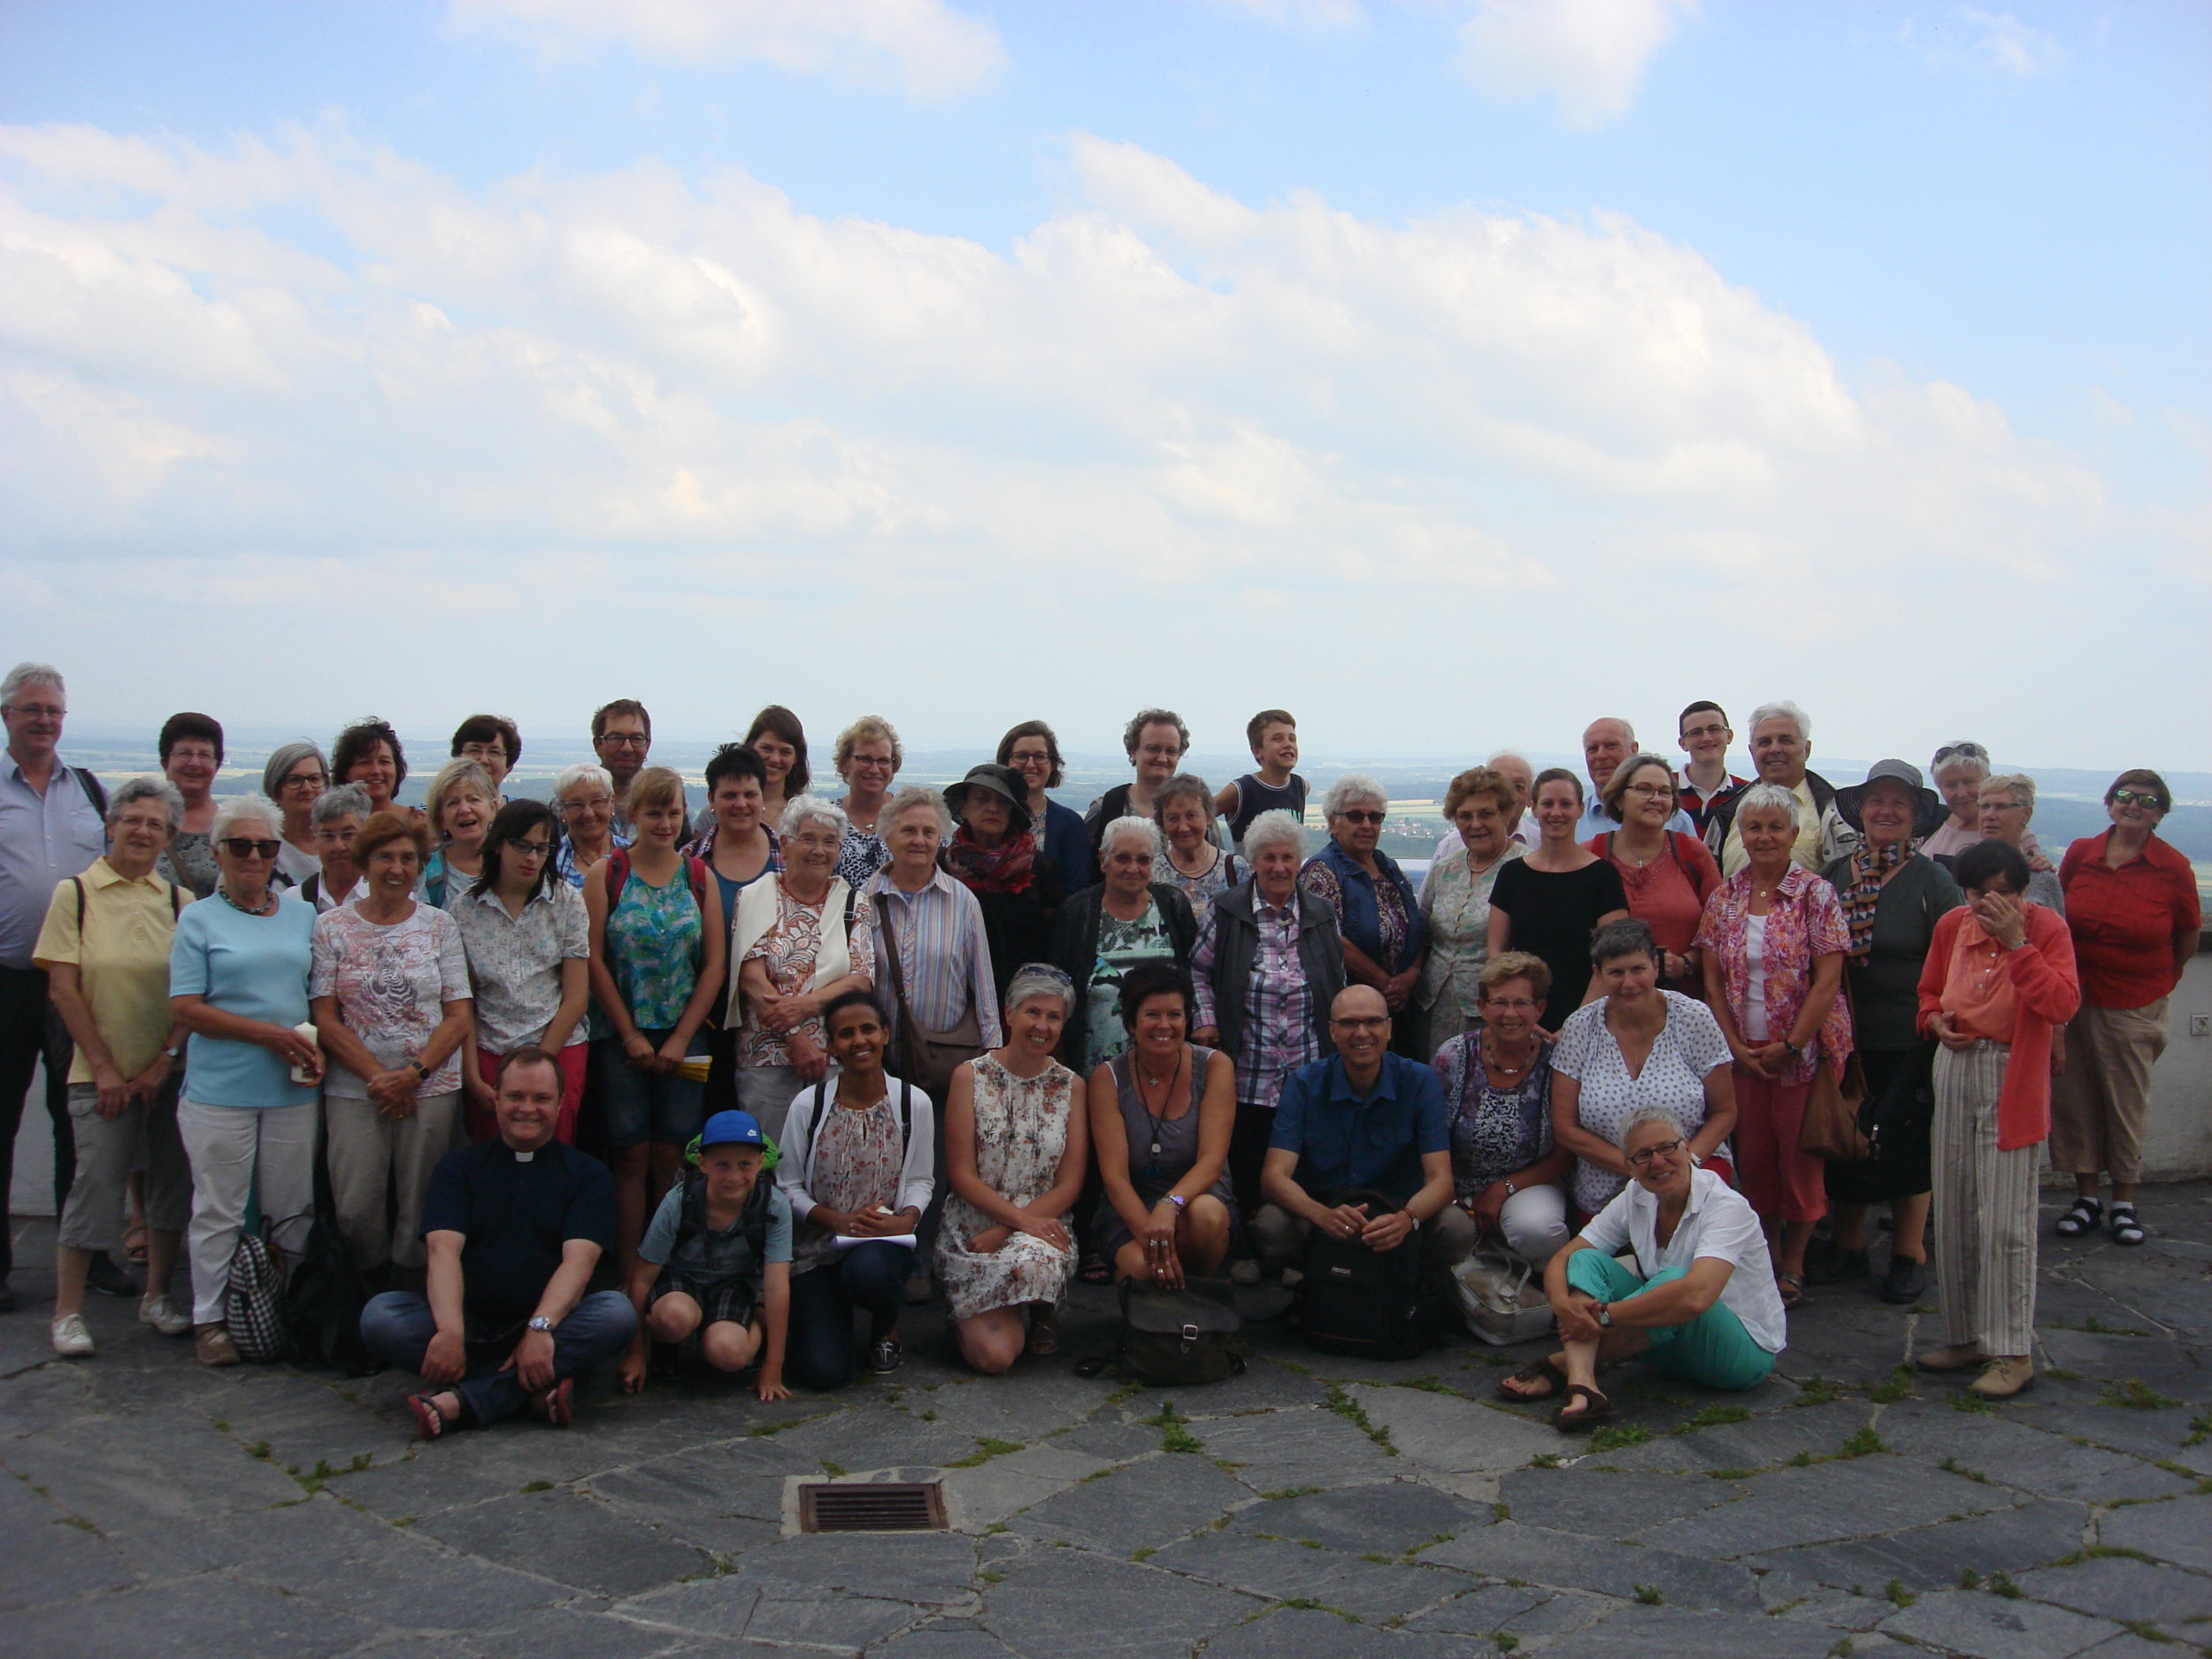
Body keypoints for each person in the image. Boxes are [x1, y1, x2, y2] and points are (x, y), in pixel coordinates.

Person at [360, 1048, 634, 1438]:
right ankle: (533, 1390)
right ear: (496, 1098)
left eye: (541, 1099)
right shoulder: (457, 1169)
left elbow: (579, 1263)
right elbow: (442, 1252)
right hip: (468, 1324)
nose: (527, 1109)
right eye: (516, 1097)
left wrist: (539, 1330)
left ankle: (465, 1400)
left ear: (560, 1104)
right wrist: (451, 1332)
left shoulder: (588, 1175)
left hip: (551, 1326)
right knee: (381, 1316)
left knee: (615, 1314)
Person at [1499, 1107, 1786, 1425]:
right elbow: (1565, 1258)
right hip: (1669, 1344)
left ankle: (1561, 1365)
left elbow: (1697, 1297)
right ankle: (1582, 1385)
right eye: (1644, 1155)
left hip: (1741, 1356)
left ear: (1687, 1147)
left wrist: (1603, 1315)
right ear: (1629, 1166)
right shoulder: (1637, 1195)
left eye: (1667, 1147)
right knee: (1587, 1259)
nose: (1658, 1162)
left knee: (1676, 1283)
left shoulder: (1726, 1206)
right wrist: (1564, 1308)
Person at [1916, 840, 2080, 1398]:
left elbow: (2061, 1004)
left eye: (2002, 894)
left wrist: (2018, 945)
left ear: (2021, 891)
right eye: (1978, 894)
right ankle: (1964, 1337)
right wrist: (1935, 1023)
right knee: (1957, 1206)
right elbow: (1930, 993)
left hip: (2012, 1072)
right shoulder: (1952, 926)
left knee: (2005, 1218)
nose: (1989, 904)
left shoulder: (2046, 929)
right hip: (1957, 1067)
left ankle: (2012, 1350)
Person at [37, 777, 195, 1355]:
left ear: (168, 836)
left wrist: (164, 1061)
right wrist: (104, 1066)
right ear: (111, 825)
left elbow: (192, 992)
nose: (142, 831)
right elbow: (62, 988)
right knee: (95, 1187)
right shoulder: (75, 895)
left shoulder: (178, 903)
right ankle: (68, 1311)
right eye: (133, 819)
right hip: (97, 1072)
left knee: (169, 1186)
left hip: (167, 1074)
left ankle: (156, 1295)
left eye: (155, 824)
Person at [167, 795, 325, 1364]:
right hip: (221, 1091)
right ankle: (209, 1319)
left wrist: (310, 1045)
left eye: (264, 846)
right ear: (219, 852)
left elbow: (318, 994)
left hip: (291, 1087)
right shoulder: (198, 918)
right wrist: (267, 1035)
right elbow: (185, 1007)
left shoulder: (300, 914)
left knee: (292, 1208)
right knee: (220, 1209)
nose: (254, 856)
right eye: (241, 846)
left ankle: (284, 1312)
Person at [1695, 784, 1853, 1305]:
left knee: (1800, 1162)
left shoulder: (1816, 894)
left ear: (1793, 833)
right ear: (1741, 831)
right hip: (1743, 1055)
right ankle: (1763, 1255)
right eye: (1754, 826)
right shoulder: (1724, 898)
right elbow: (1712, 980)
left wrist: (1792, 1043)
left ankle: (1796, 1265)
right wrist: (1734, 1045)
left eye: (1774, 827)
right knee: (1757, 1161)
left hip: (1801, 1055)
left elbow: (1828, 978)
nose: (1764, 836)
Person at [1811, 760, 1962, 1303]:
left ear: (1917, 815)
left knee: (1906, 1145)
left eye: (1900, 802)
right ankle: (1848, 1248)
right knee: (1848, 1142)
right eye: (1877, 800)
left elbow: (1958, 952)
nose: (1887, 811)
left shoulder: (1933, 880)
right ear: (1862, 811)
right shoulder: (1834, 875)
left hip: (1910, 1037)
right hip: (1844, 1038)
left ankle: (1907, 1254)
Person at [310, 810, 472, 1282]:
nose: (397, 868)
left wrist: (412, 1076)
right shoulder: (331, 927)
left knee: (422, 1202)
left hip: (431, 1084)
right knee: (356, 1203)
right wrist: (380, 1079)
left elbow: (458, 1015)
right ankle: (362, 1299)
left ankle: (412, 1301)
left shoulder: (440, 926)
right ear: (365, 862)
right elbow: (325, 1015)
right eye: (385, 857)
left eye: (408, 858)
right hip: (356, 1088)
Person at [1189, 809, 1346, 1284]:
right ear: (1252, 862)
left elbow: (1337, 979)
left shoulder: (1321, 913)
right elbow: (1197, 971)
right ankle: (1245, 1251)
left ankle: (1294, 1253)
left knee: (1300, 1165)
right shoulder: (1228, 909)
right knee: (1246, 1161)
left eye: (1288, 858)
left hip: (1306, 1067)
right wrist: (1208, 1021)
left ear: (1300, 862)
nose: (1279, 867)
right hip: (1246, 1067)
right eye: (1268, 858)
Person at [585, 766, 726, 1279]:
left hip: (684, 1035)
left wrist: (683, 1036)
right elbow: (594, 959)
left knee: (672, 1156)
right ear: (633, 813)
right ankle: (627, 1270)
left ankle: (665, 1267)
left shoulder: (697, 875)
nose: (665, 822)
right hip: (620, 1035)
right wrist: (629, 1035)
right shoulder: (607, 874)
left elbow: (713, 964)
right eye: (654, 812)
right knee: (628, 1155)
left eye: (673, 812)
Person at [2051, 770, 2200, 1248]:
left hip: (2134, 1002)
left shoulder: (2172, 867)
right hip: (2077, 996)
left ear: (2160, 812)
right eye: (2125, 796)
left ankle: (2125, 1202)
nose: (2134, 805)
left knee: (2124, 1102)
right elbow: (2058, 912)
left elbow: (2187, 935)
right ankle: (2087, 1198)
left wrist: (2161, 984)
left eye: (2147, 800)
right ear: (2110, 801)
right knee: (2076, 1099)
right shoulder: (2080, 854)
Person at [0, 663, 110, 1313]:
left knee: (79, 1125)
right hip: (7, 980)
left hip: (75, 983)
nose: (44, 720)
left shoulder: (89, 791)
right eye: (31, 709)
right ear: (6, 715)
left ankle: (89, 1258)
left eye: (53, 711)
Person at [1254, 986, 1472, 1282]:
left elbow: (1441, 1180)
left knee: (1457, 1227)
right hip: (1325, 1215)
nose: (1361, 1033)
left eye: (1372, 1022)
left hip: (1396, 1214)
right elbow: (1273, 1177)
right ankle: (1316, 1291)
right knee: (1270, 1223)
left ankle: (1409, 1297)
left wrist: (1406, 1219)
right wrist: (1320, 1215)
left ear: (1389, 1028)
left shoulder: (1420, 1081)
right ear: (1331, 1031)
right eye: (1348, 1023)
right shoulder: (1303, 1084)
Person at [778, 993, 935, 1387]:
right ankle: (831, 1316)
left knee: (871, 1274)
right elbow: (788, 1184)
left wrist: (906, 1220)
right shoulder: (808, 1105)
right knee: (822, 1373)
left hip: (881, 1241)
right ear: (831, 1046)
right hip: (818, 1245)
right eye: (845, 1034)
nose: (859, 1041)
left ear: (884, 1034)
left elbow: (920, 1179)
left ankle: (886, 1325)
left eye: (868, 1029)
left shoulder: (912, 1102)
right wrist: (836, 1220)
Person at [937, 965, 1087, 1371]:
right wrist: (1002, 1223)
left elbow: (1070, 1183)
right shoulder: (969, 1077)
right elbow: (961, 1173)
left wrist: (1012, 1226)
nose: (1042, 1025)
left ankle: (1040, 1310)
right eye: (1032, 1012)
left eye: (1054, 1017)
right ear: (1009, 1014)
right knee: (995, 1359)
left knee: (1033, 1261)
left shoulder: (1071, 1085)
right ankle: (973, 1307)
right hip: (973, 1224)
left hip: (1039, 1226)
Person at [1551, 918, 1737, 1221]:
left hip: (1690, 1170)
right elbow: (1566, 1128)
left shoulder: (1694, 1017)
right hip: (1607, 1182)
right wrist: (1637, 1167)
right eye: (1616, 972)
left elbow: (1725, 1112)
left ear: (1654, 965)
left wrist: (1679, 1164)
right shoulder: (1579, 1028)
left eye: (1637, 969)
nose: (1628, 983)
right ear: (1597, 974)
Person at [618, 1108, 792, 1401]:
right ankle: (665, 1345)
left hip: (735, 1284)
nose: (734, 1176)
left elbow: (777, 1284)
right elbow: (643, 1277)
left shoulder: (773, 1206)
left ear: (761, 1163)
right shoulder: (679, 1201)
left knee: (729, 1354)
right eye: (722, 1165)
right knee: (673, 1318)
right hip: (681, 1279)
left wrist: (775, 1366)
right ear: (703, 1163)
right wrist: (636, 1352)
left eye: (745, 1164)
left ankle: (750, 1329)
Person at [729, 796, 876, 1141]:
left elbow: (862, 977)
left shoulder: (854, 903)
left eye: (829, 842)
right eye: (808, 839)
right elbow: (751, 978)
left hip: (837, 1053)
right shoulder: (754, 896)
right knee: (770, 1157)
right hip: (767, 1056)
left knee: (831, 1157)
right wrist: (796, 1039)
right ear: (785, 844)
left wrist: (806, 1006)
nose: (819, 851)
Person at [449, 800, 589, 1145]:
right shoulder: (464, 909)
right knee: (490, 1156)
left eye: (542, 848)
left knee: (553, 1152)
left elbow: (576, 998)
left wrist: (537, 1067)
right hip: (488, 1049)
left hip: (556, 1046)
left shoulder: (567, 901)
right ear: (498, 843)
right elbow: (462, 1002)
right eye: (521, 845)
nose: (531, 858)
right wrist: (471, 1077)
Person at [1087, 963, 1236, 1288]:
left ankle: (1200, 1306)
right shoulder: (1107, 1078)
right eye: (1152, 1015)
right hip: (1131, 1208)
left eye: (1175, 1015)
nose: (1164, 1026)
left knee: (1208, 1215)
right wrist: (1158, 1248)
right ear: (1130, 1022)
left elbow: (1212, 1163)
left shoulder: (1214, 1067)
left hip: (1195, 1200)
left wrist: (1170, 1205)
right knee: (1146, 1271)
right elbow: (1114, 1179)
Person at [1429, 953, 1573, 1266]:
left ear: (1540, 1008)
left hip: (1529, 1182)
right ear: (1481, 1007)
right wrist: (1447, 1190)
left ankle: (1551, 1292)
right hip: (1455, 1183)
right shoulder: (1452, 1056)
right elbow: (1428, 1135)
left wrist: (1502, 1189)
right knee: (1450, 1231)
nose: (1510, 1014)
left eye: (1522, 1003)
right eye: (1499, 1003)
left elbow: (1566, 1152)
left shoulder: (1559, 1062)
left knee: (1537, 1228)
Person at [1054, 817, 1199, 1075]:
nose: (1133, 868)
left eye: (1143, 860)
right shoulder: (1078, 912)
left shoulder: (1172, 905)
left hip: (1163, 1067)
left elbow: (1192, 978)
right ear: (1103, 859)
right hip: (1093, 1070)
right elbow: (1059, 990)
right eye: (1123, 858)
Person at [1486, 770, 1628, 1029]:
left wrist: (1577, 1023)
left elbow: (1612, 957)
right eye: (1548, 804)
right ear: (1534, 808)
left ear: (1580, 809)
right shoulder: (1512, 874)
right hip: (1522, 1017)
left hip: (1591, 1015)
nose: (1556, 812)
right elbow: (1497, 951)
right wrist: (1521, 1013)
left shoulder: (1603, 876)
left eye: (1566, 804)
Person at [1300, 773, 1429, 1057]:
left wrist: (1411, 975)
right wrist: (1385, 983)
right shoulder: (1322, 871)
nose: (1367, 825)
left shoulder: (1388, 867)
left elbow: (1418, 926)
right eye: (1356, 816)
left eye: (1375, 817)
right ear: (1333, 822)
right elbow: (1329, 938)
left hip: (1399, 1008)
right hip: (1352, 1016)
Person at [1586, 754, 1721, 996]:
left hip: (1685, 1010)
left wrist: (1686, 963)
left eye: (1665, 792)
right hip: (1610, 1006)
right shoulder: (1591, 855)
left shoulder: (1693, 853)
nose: (1656, 799)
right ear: (1618, 798)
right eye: (1644, 789)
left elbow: (1722, 929)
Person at [1416, 766, 1525, 1048]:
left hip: (1493, 1012)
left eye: (1486, 814)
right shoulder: (1445, 868)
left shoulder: (1525, 869)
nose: (1475, 824)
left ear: (1505, 814)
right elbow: (1420, 929)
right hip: (1432, 1006)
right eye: (1465, 816)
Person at [942, 764, 1061, 1008]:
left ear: (1013, 811)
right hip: (955, 997)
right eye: (982, 798)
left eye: (1003, 801)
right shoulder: (942, 866)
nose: (993, 808)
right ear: (963, 806)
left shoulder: (1039, 868)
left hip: (1021, 1001)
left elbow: (1053, 941)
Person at [1706, 701, 1856, 877]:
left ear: (1806, 749)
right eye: (1764, 742)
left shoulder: (1838, 817)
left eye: (1786, 740)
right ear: (1752, 751)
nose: (1775, 749)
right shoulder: (1727, 814)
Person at [1087, 708, 1202, 867]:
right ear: (1133, 752)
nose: (1162, 758)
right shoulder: (1106, 808)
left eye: (1171, 751)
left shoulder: (1197, 811)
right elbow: (1083, 872)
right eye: (1153, 749)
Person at [997, 719, 1095, 894]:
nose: (1030, 764)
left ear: (1052, 765)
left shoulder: (1069, 824)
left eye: (1040, 756)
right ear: (1005, 762)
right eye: (1021, 756)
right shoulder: (990, 817)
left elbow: (1077, 890)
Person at [1576, 718, 1694, 841]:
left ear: (1634, 749)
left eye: (1611, 746)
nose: (1601, 755)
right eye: (1592, 749)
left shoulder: (1676, 822)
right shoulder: (1573, 821)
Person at [153, 712, 225, 899]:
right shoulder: (140, 824)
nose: (194, 763)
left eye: (205, 755)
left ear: (217, 765)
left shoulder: (231, 826)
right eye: (184, 753)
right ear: (165, 761)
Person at [1153, 773, 1245, 914]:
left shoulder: (1235, 869)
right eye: (1173, 818)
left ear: (1208, 816)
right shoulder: (1153, 873)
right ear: (1162, 824)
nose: (1183, 827)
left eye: (1191, 815)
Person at [1215, 710, 1307, 851]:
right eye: (1277, 739)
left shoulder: (1301, 786)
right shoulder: (1241, 791)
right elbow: (1199, 813)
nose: (1288, 744)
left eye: (1292, 739)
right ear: (1257, 751)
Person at [832, 715, 902, 886]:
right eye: (865, 759)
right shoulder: (827, 820)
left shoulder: (911, 817)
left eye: (883, 761)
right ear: (845, 763)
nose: (874, 769)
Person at [419, 758, 496, 908]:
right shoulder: (426, 869)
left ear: (492, 809)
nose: (464, 809)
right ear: (441, 818)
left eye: (473, 799)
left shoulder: (510, 863)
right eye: (453, 803)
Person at [1978, 774, 2062, 911]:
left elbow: (2057, 931)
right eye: (1984, 806)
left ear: (2026, 814)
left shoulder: (2042, 879)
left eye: (2000, 807)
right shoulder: (1965, 870)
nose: (1989, 815)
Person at [1676, 701, 1751, 839]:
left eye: (1714, 729)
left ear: (1729, 736)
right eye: (1696, 732)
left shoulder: (1748, 795)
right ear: (1683, 743)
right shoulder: (1662, 790)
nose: (1706, 738)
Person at [261, 741, 328, 887]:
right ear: (275, 789)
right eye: (295, 780)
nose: (306, 788)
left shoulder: (343, 845)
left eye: (314, 779)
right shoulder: (260, 846)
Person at [552, 762, 628, 889]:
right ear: (562, 810)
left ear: (612, 803)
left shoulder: (633, 855)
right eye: (576, 804)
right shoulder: (550, 861)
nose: (588, 813)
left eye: (597, 801)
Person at [298, 784, 371, 911]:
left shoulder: (392, 900)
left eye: (348, 835)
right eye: (328, 836)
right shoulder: (295, 900)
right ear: (314, 837)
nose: (338, 846)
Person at [591, 699, 652, 834]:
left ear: (647, 745)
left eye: (637, 738)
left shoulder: (665, 800)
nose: (627, 748)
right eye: (616, 738)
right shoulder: (573, 803)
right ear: (597, 744)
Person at [743, 704, 810, 826]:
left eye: (785, 752)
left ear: (795, 758)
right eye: (767, 749)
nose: (775, 759)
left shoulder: (806, 816)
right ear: (751, 747)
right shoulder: (721, 811)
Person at [332, 718, 408, 817]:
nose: (376, 770)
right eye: (365, 762)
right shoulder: (332, 826)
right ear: (346, 772)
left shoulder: (420, 825)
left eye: (384, 762)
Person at [449, 714, 519, 798]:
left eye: (494, 752)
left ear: (509, 767)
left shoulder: (523, 811)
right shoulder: (434, 811)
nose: (484, 760)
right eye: (474, 750)